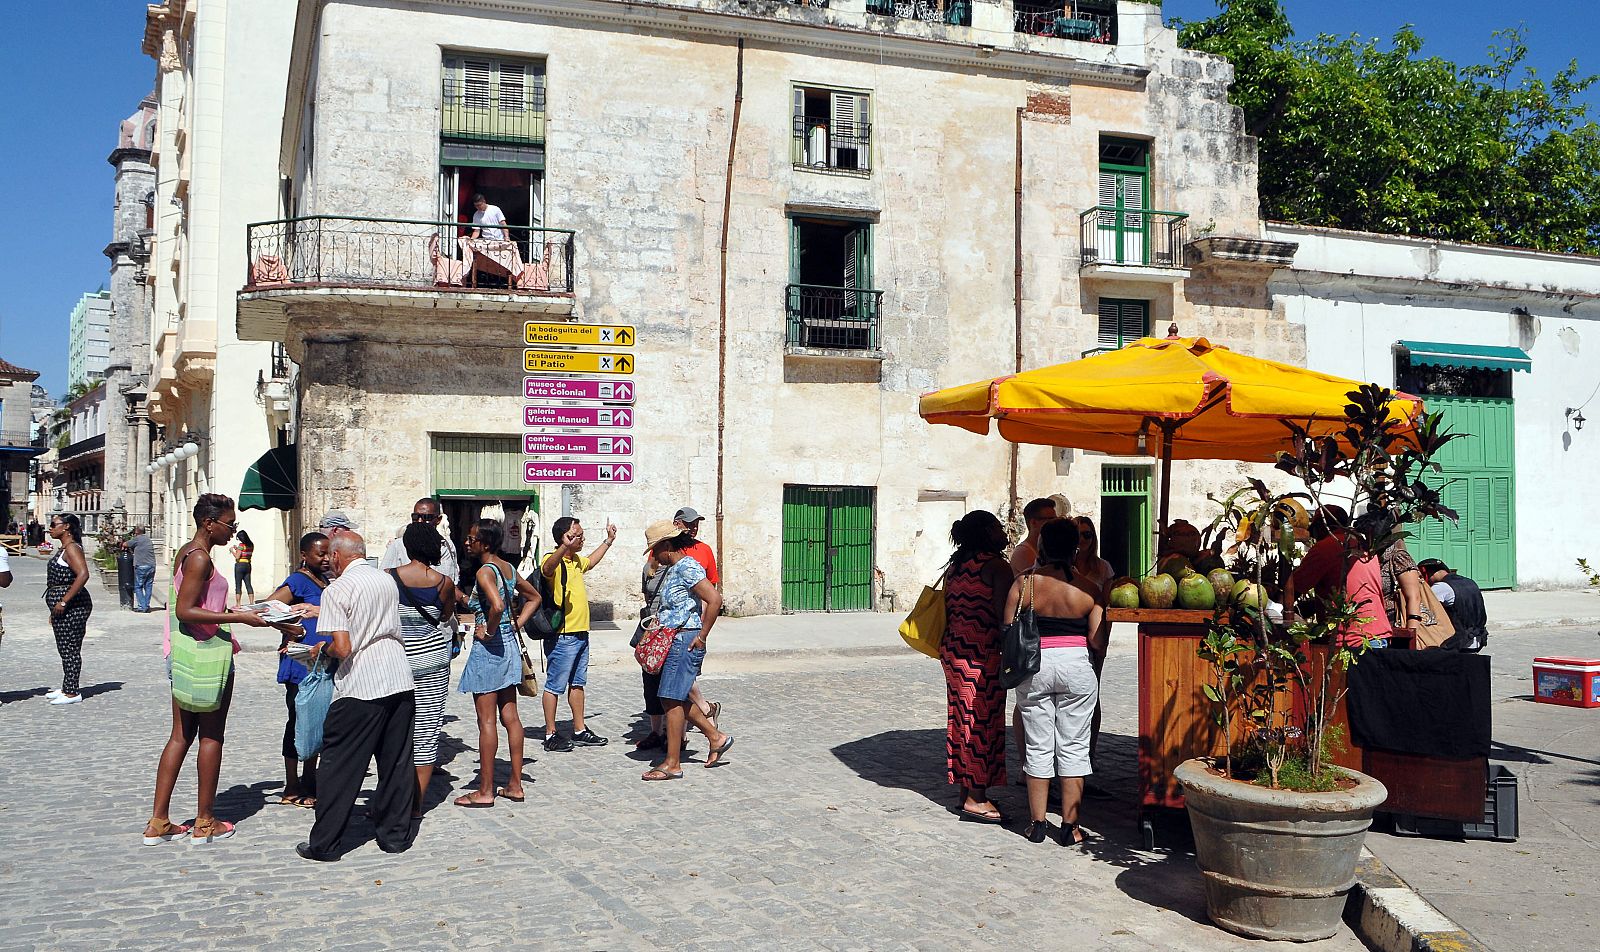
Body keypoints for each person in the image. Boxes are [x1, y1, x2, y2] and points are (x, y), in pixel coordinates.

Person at [143, 494, 278, 846]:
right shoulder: (200, 559)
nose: (233, 532)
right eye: (229, 525)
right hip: (204, 656)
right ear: (209, 523)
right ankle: (205, 821)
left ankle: (158, 821)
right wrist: (239, 617)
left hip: (183, 652)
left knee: (180, 735)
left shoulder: (187, 551)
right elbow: (187, 610)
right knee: (210, 736)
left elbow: (195, 604)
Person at [296, 532, 417, 861]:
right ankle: (395, 836)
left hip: (361, 684)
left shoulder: (339, 589)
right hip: (398, 676)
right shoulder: (385, 581)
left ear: (336, 557)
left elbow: (344, 646)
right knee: (396, 763)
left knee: (339, 766)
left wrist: (322, 649)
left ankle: (326, 843)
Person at [1006, 519, 1106, 846]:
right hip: (1076, 666)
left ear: (1042, 547)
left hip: (1035, 666)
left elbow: (1007, 628)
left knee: (1037, 745)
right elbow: (1097, 642)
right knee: (1074, 745)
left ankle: (1036, 824)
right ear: (1076, 549)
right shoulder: (1090, 590)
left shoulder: (1025, 585)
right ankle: (1070, 826)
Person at [454, 519, 539, 807]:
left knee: (486, 721)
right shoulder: (508, 568)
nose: (467, 542)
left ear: (485, 544)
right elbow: (533, 597)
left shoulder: (483, 571)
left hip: (490, 650)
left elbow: (499, 606)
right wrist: (515, 626)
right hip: (509, 646)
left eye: (472, 538)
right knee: (511, 717)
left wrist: (489, 630)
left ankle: (485, 790)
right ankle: (515, 784)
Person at [639, 521, 733, 780]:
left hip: (685, 639)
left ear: (667, 547)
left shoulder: (687, 567)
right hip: (675, 637)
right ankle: (716, 737)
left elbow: (714, 600)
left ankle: (672, 763)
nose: (653, 556)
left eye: (655, 550)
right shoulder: (674, 568)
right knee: (674, 698)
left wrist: (702, 636)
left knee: (670, 698)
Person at [941, 510, 1015, 823]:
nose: (1004, 532)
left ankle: (966, 789)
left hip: (955, 652)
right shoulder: (996, 566)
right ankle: (976, 798)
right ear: (986, 532)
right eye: (998, 527)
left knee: (962, 721)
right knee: (982, 725)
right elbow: (1004, 616)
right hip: (983, 655)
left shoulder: (955, 565)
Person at [390, 522, 458, 814]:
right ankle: (416, 805)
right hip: (433, 660)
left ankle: (391, 798)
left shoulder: (388, 578)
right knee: (427, 732)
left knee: (394, 729)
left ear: (406, 547)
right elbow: (445, 616)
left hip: (397, 660)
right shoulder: (444, 583)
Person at [266, 532, 333, 808]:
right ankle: (292, 784)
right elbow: (269, 609)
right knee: (297, 719)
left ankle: (310, 779)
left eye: (329, 552)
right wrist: (291, 628)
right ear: (305, 555)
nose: (327, 558)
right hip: (300, 662)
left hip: (322, 662)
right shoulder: (297, 581)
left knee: (316, 720)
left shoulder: (325, 580)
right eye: (321, 554)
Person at [539, 515, 616, 752]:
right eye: (576, 535)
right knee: (554, 685)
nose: (580, 539)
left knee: (578, 684)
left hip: (581, 633)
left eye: (581, 535)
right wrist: (565, 546)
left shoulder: (575, 562)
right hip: (563, 635)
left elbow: (590, 562)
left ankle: (580, 729)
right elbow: (547, 569)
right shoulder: (553, 560)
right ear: (563, 537)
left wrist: (608, 541)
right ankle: (550, 734)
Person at [1284, 505, 1393, 648]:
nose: (1314, 538)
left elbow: (1292, 590)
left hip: (1352, 638)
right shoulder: (1363, 546)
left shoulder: (1325, 547)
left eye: (1314, 531)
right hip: (1378, 633)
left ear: (1322, 526)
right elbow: (1353, 589)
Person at [1071, 514, 1115, 800]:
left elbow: (1107, 606)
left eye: (1087, 535)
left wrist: (1102, 642)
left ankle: (1090, 752)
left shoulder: (1102, 568)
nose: (1082, 541)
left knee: (1092, 698)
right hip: (1070, 639)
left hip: (1095, 637)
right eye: (1077, 535)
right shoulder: (1061, 567)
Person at [672, 506, 722, 732]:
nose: (693, 528)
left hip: (693, 622)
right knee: (680, 678)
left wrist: (703, 626)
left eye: (696, 524)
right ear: (676, 524)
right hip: (670, 622)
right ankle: (704, 713)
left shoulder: (704, 550)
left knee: (687, 675)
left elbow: (711, 586)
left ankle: (704, 720)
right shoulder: (664, 549)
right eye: (688, 523)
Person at [44, 514, 93, 705]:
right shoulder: (64, 548)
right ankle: (67, 686)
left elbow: (83, 574)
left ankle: (72, 692)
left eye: (53, 524)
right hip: (63, 608)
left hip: (74, 606)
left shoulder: (72, 548)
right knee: (64, 647)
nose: (50, 528)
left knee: (70, 647)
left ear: (66, 527)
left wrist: (63, 601)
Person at [1356, 507, 1428, 633]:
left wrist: (1410, 633)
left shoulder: (1398, 557)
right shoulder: (1366, 558)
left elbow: (1414, 597)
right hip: (1370, 624)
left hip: (1394, 625)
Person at [379, 497, 459, 585]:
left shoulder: (447, 545)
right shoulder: (398, 545)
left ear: (438, 520)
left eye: (426, 517)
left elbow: (453, 579)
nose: (420, 521)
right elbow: (383, 580)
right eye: (415, 517)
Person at [1419, 559, 1489, 652]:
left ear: (1430, 573)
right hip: (1477, 638)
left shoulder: (1441, 587)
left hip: (1458, 642)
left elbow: (1422, 604)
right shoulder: (1470, 582)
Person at [1008, 497, 1057, 575]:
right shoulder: (1024, 552)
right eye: (1051, 520)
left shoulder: (1044, 549)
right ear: (1034, 522)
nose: (1056, 524)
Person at [126, 526, 158, 613]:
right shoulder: (148, 539)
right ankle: (146, 605)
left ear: (137, 532)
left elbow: (125, 544)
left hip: (141, 566)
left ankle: (142, 606)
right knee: (148, 586)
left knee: (138, 586)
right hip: (152, 566)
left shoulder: (137, 539)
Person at [229, 530, 255, 607]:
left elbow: (237, 556)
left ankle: (238, 604)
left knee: (238, 584)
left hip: (240, 565)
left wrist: (232, 551)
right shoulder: (251, 545)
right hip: (248, 565)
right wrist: (237, 549)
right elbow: (245, 553)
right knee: (248, 584)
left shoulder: (241, 545)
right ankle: (251, 602)